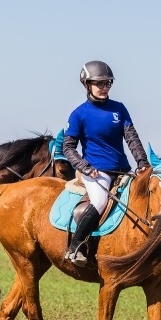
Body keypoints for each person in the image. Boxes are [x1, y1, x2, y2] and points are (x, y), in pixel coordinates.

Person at [62, 60, 150, 266]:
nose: (104, 87)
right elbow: (68, 148)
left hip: (123, 169)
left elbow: (131, 138)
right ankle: (75, 247)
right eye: (99, 83)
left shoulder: (119, 108)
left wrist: (142, 162)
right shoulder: (79, 114)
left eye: (107, 83)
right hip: (97, 172)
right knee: (100, 202)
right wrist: (85, 168)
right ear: (87, 84)